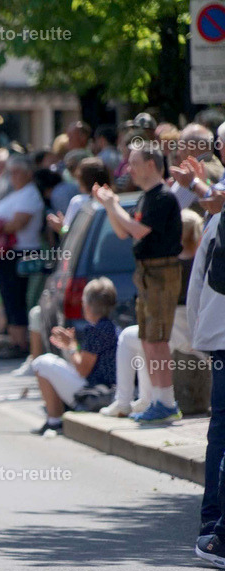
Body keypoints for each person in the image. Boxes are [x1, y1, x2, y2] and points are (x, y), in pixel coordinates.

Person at [94, 143, 183, 423]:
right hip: (146, 273)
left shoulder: (163, 197)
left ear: (151, 164)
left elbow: (139, 230)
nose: (128, 169)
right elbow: (124, 232)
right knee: (147, 339)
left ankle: (166, 402)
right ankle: (157, 399)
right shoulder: (146, 197)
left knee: (157, 340)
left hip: (161, 273)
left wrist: (113, 205)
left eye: (134, 163)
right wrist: (110, 207)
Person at [102, 209, 203, 417]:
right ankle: (146, 399)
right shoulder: (202, 260)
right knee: (144, 339)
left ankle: (124, 401)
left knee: (132, 337)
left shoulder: (170, 263)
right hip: (198, 333)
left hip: (175, 330)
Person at [30, 278, 119, 435]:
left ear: (88, 305)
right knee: (50, 362)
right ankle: (58, 416)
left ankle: (54, 421)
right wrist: (70, 346)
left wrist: (71, 347)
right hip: (107, 389)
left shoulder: (96, 330)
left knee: (41, 363)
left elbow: (82, 370)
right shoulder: (112, 326)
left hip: (95, 392)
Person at [190, 212, 225, 564]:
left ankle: (213, 523)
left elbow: (198, 281)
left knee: (220, 431)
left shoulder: (217, 221)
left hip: (219, 335)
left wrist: (198, 335)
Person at [0, 155, 46, 359]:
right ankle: (15, 340)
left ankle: (20, 342)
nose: (12, 176)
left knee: (16, 298)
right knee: (8, 297)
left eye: (17, 172)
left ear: (28, 173)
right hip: (9, 253)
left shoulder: (30, 194)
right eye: (10, 172)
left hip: (21, 252)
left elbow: (18, 223)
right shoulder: (19, 193)